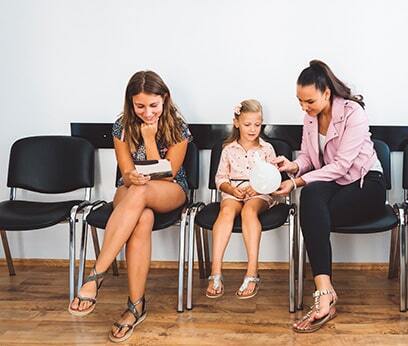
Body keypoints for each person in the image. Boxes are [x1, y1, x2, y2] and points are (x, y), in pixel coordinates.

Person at [68, 70, 192, 343]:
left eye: (153, 106)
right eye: (140, 106)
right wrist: (131, 176)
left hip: (169, 190)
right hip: (131, 190)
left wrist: (149, 140)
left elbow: (167, 173)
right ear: (130, 103)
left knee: (144, 188)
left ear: (165, 100)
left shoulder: (178, 128)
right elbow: (125, 171)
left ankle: (96, 275)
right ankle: (136, 307)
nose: (147, 113)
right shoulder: (121, 126)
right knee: (143, 215)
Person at [273, 60, 386, 333]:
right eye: (300, 101)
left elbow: (342, 166)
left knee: (312, 212)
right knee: (310, 200)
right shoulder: (310, 117)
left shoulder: (353, 113)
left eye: (309, 101)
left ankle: (324, 297)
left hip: (366, 184)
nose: (304, 107)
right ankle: (325, 291)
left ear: (327, 93)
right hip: (333, 182)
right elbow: (310, 158)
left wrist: (296, 182)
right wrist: (292, 166)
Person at [206, 99, 278, 299]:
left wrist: (256, 188)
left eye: (257, 124)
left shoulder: (267, 149)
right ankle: (216, 271)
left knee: (249, 210)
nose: (253, 129)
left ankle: (252, 271)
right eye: (247, 124)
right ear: (237, 123)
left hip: (259, 192)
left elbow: (274, 178)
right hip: (234, 191)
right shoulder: (228, 149)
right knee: (227, 210)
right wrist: (232, 189)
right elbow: (220, 178)